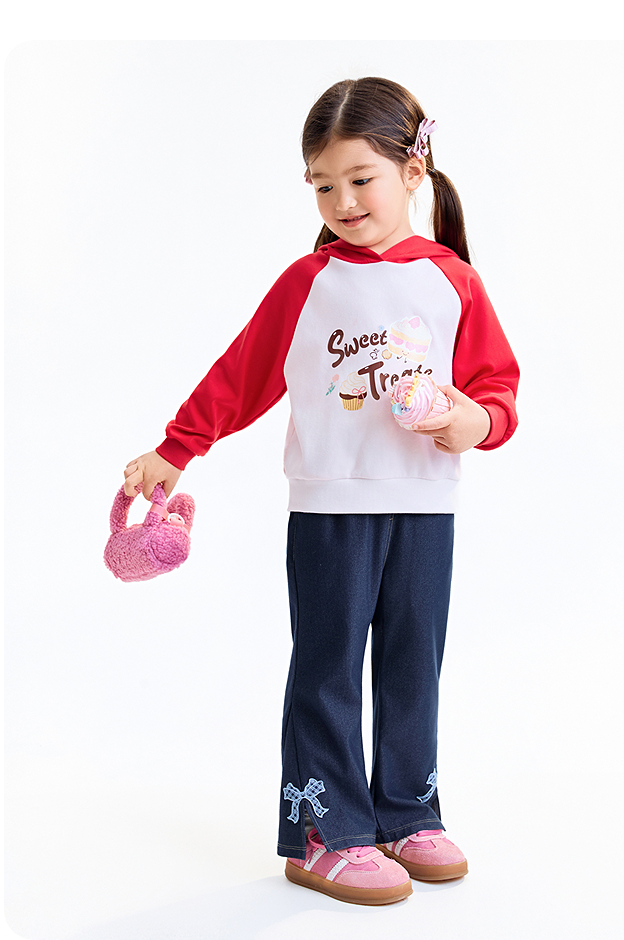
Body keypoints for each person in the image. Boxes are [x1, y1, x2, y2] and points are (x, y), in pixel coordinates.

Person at [123, 76, 519, 906]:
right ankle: (324, 833)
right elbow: (243, 374)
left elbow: (497, 388)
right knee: (329, 667)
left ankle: (408, 812)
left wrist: (473, 423)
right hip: (331, 510)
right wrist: (176, 448)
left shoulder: (453, 281)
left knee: (414, 664)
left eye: (360, 179)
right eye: (322, 184)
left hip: (425, 506)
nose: (342, 201)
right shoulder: (309, 283)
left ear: (414, 171)